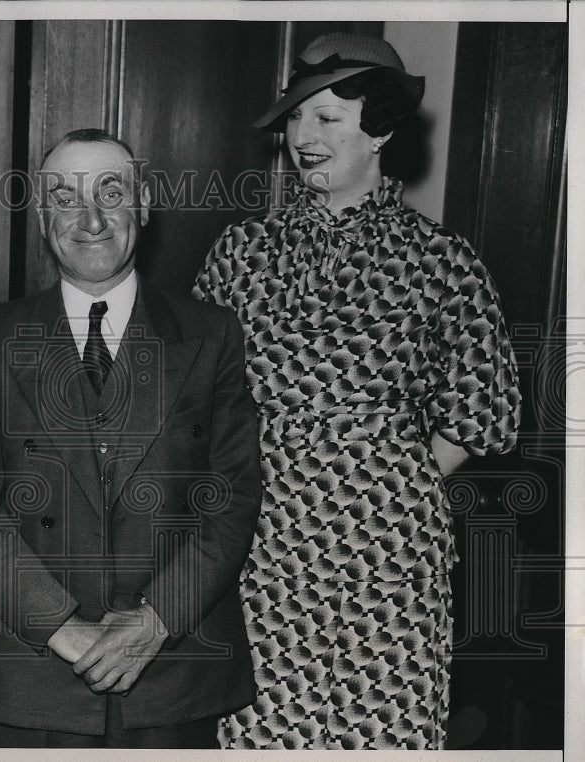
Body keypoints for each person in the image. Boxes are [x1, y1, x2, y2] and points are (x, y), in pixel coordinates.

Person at [192, 33, 521, 750]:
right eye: (294, 118)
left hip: (389, 555)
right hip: (262, 548)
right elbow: (196, 402)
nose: (302, 136)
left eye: (327, 117)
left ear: (382, 129)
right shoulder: (240, 254)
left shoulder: (443, 263)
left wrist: (379, 484)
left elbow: (480, 416)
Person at [0, 128, 262, 748]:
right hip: (36, 675)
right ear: (43, 217)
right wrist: (61, 627)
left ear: (142, 206)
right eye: (65, 198)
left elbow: (231, 496)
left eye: (110, 192)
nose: (89, 218)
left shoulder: (210, 334)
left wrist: (155, 622)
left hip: (171, 671)